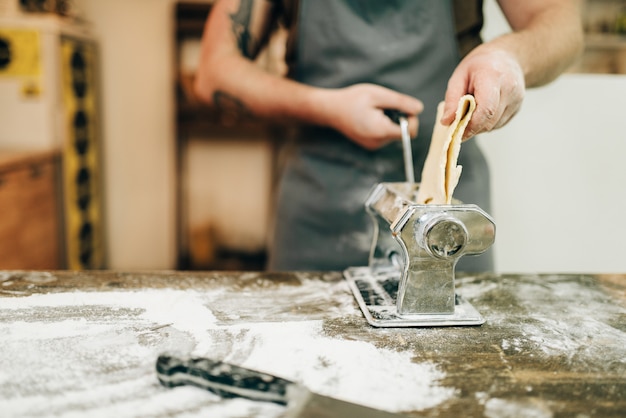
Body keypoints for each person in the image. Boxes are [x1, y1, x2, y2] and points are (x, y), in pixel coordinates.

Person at [194, 0, 584, 272]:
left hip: (446, 224)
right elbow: (214, 71)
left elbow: (561, 22)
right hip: (318, 216)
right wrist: (324, 106)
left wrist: (509, 57)